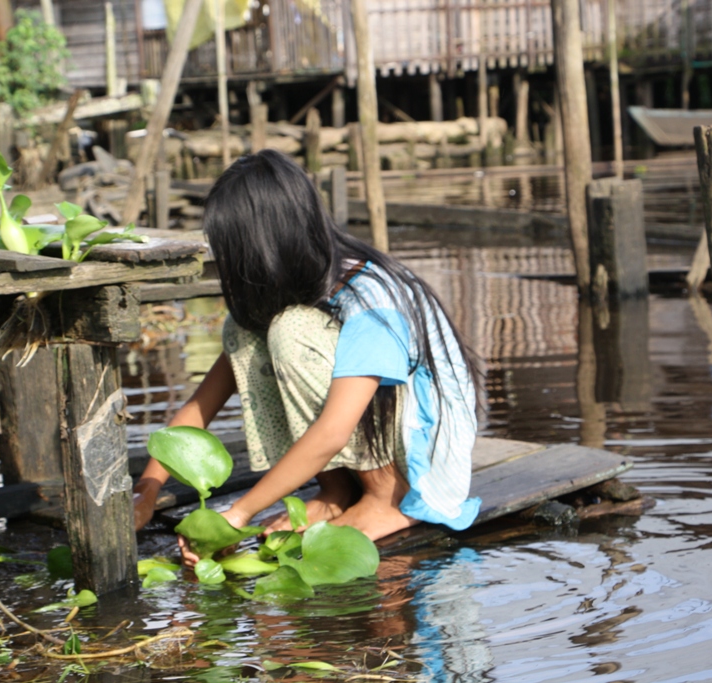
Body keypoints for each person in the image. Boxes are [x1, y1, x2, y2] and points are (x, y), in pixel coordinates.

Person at [133, 150, 479, 564]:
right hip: (379, 436)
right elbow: (199, 407)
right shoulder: (297, 292)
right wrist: (147, 489)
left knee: (289, 331)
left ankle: (386, 495)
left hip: (427, 459)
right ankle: (337, 491)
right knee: (242, 329)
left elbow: (334, 431)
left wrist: (240, 514)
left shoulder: (369, 300)